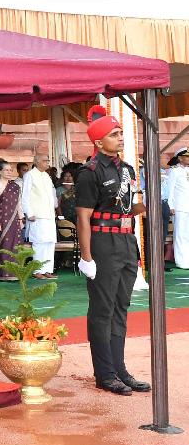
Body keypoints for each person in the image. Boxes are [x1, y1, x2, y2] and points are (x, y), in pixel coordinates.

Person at [76, 105, 150, 396]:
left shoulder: (128, 170)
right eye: (114, 134)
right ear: (98, 141)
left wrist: (148, 205)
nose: (120, 138)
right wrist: (86, 257)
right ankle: (104, 374)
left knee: (121, 307)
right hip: (103, 244)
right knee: (102, 310)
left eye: (120, 133)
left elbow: (127, 208)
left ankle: (120, 370)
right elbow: (83, 217)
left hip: (126, 242)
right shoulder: (89, 172)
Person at [22, 155, 58, 278]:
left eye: (48, 161)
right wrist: (29, 213)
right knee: (39, 243)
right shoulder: (30, 175)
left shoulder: (47, 176)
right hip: (37, 215)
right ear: (36, 162)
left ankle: (47, 270)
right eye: (44, 161)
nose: (47, 163)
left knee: (50, 242)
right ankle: (37, 271)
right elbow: (25, 196)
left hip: (49, 215)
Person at [0, 159, 23, 278]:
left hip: (14, 220)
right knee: (5, 245)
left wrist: (21, 219)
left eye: (10, 170)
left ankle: (15, 273)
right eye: (6, 170)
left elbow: (18, 203)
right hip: (2, 220)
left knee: (15, 245)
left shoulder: (15, 186)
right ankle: (4, 273)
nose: (9, 172)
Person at [166, 148, 189, 270]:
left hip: (187, 206)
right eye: (187, 156)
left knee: (187, 234)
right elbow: (169, 189)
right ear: (180, 158)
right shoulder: (174, 171)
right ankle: (181, 261)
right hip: (179, 207)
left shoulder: (187, 170)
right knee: (180, 234)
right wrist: (171, 205)